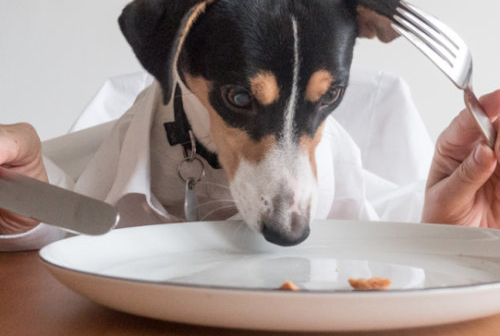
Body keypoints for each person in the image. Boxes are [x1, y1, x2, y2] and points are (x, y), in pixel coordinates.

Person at [0, 68, 499, 251]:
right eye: (241, 98)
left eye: (324, 100)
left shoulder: (364, 161)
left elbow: (404, 249)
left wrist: (461, 242)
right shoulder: (106, 149)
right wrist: (27, 217)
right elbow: (56, 252)